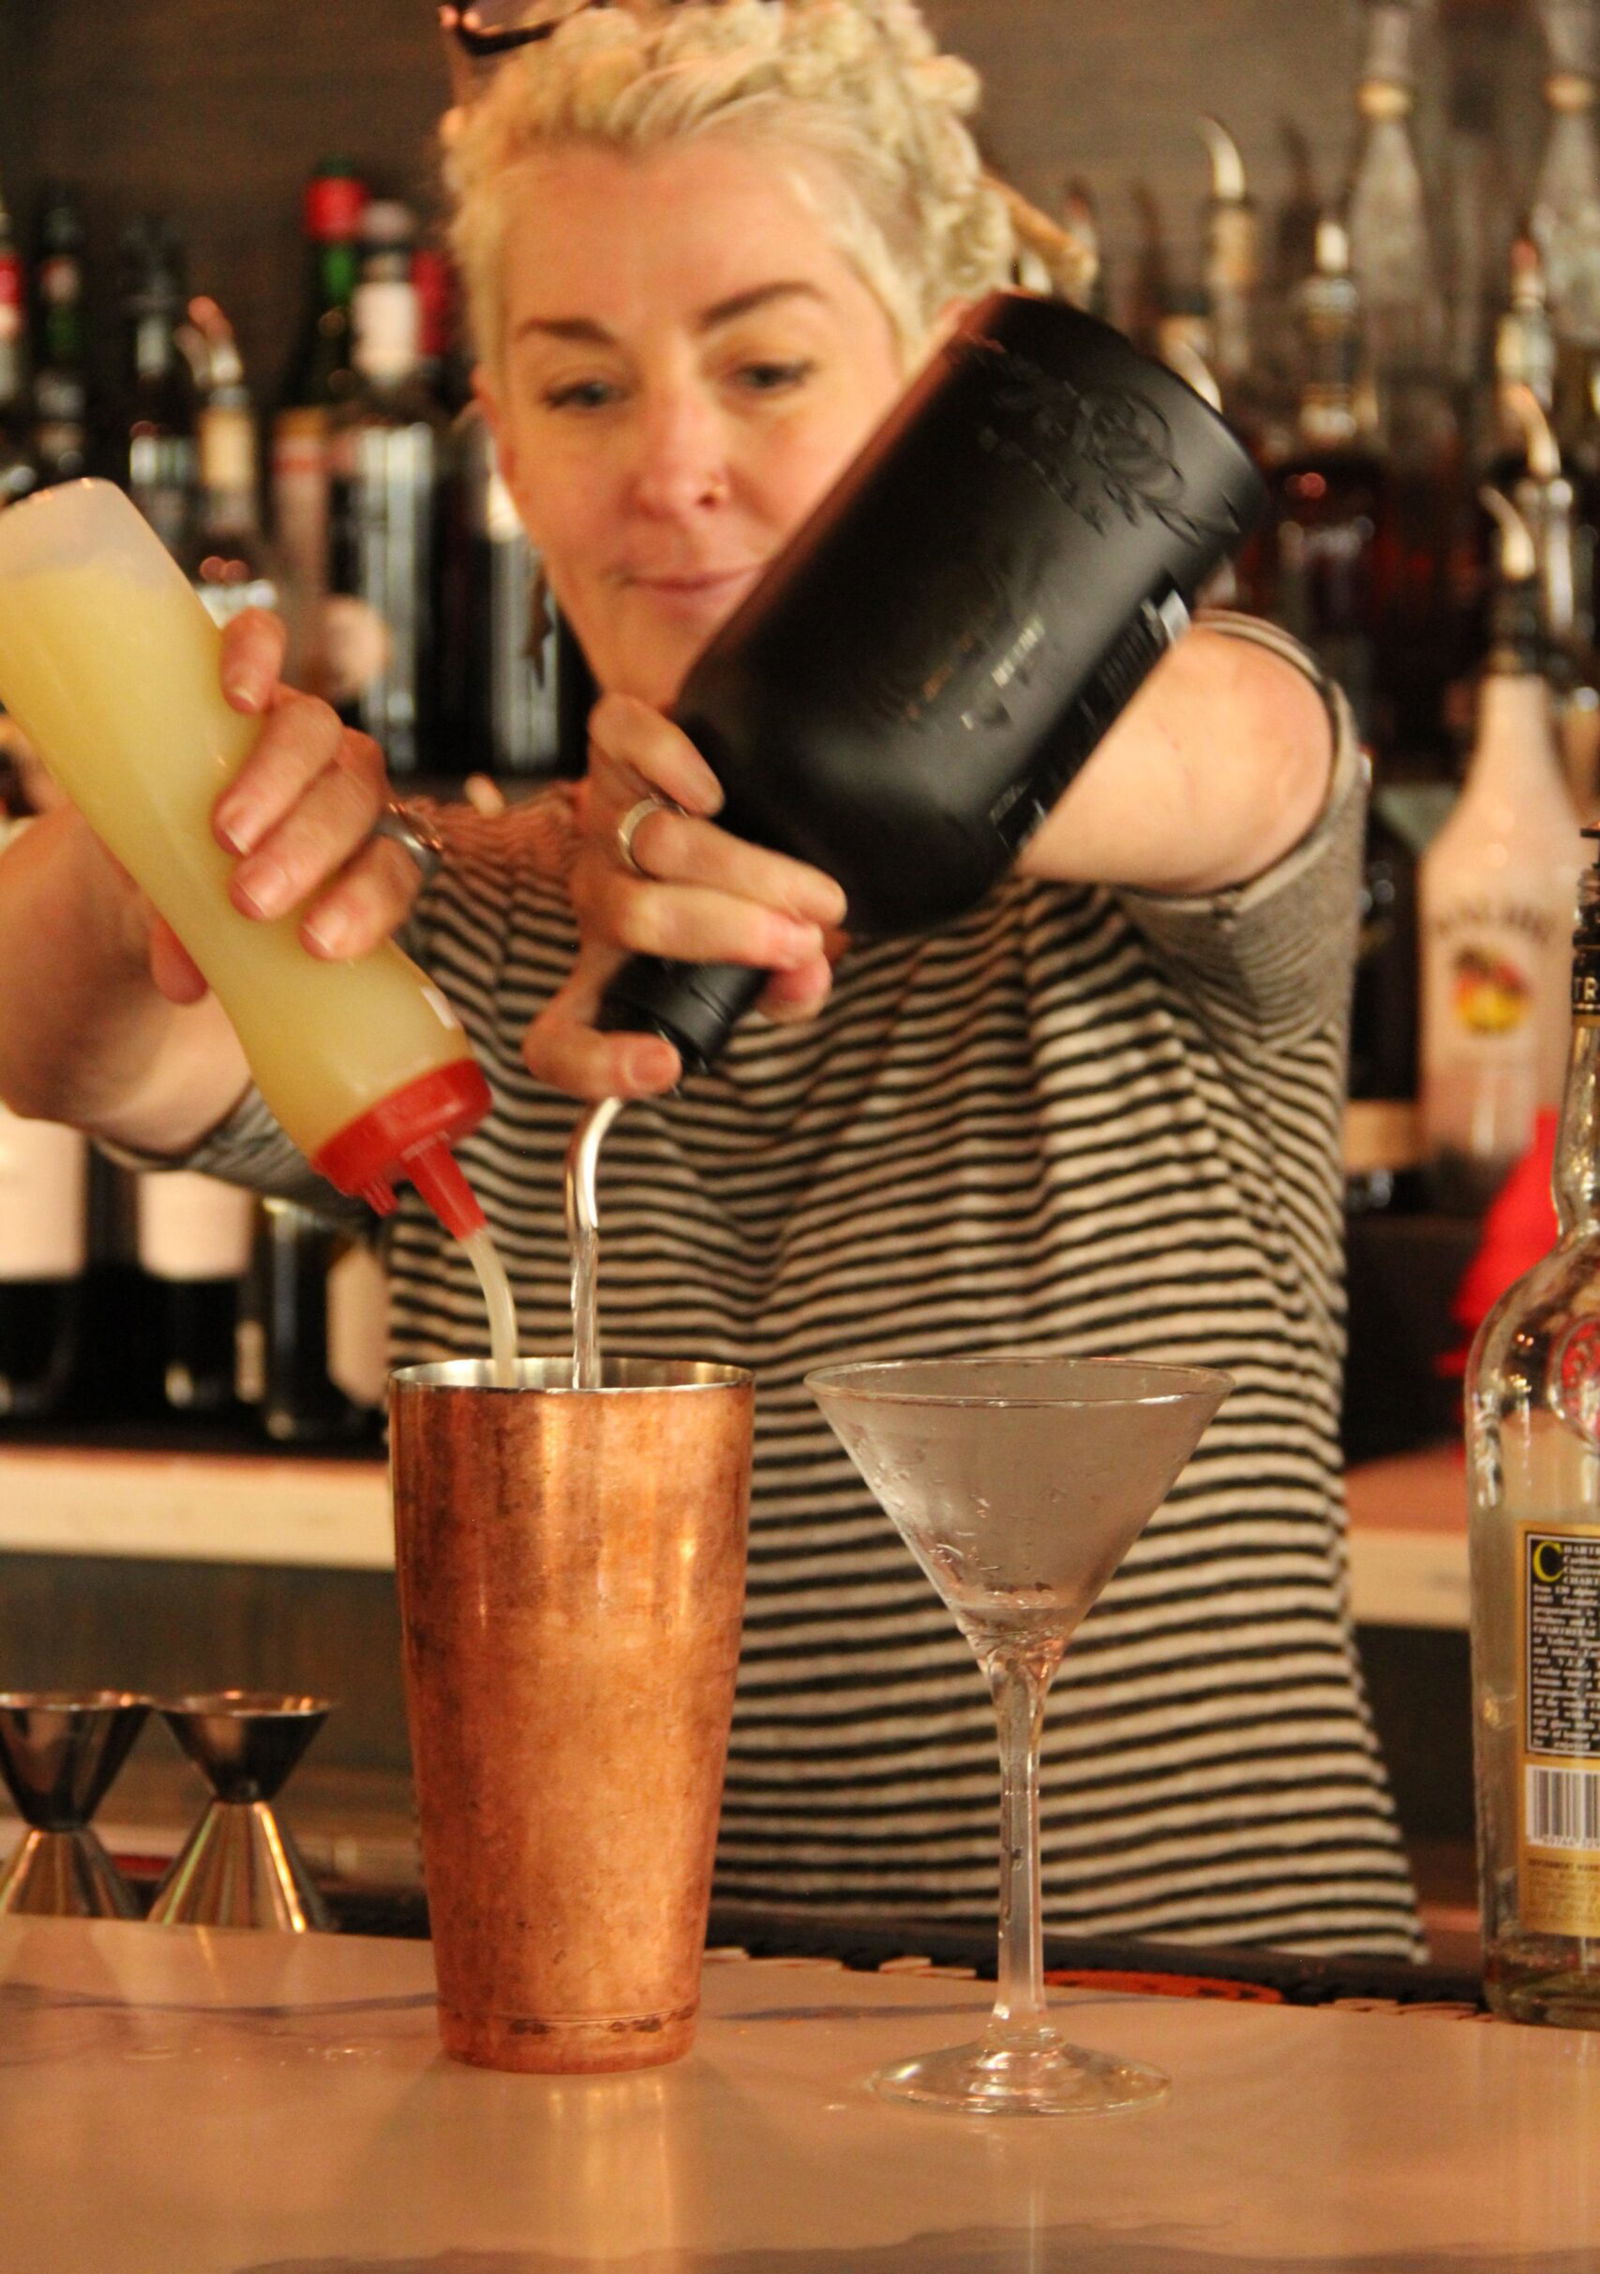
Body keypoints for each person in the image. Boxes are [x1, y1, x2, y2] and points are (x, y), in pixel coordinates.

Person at [0, 0, 1421, 1956]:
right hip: (652, 2108)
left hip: (1212, 2082)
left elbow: (1248, 747)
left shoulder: (1130, 872)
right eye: (581, 392)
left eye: (763, 366)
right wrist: (182, 819)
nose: (672, 467)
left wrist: (864, 764)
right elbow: (48, 1027)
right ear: (492, 439)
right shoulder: (460, 928)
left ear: (944, 401)